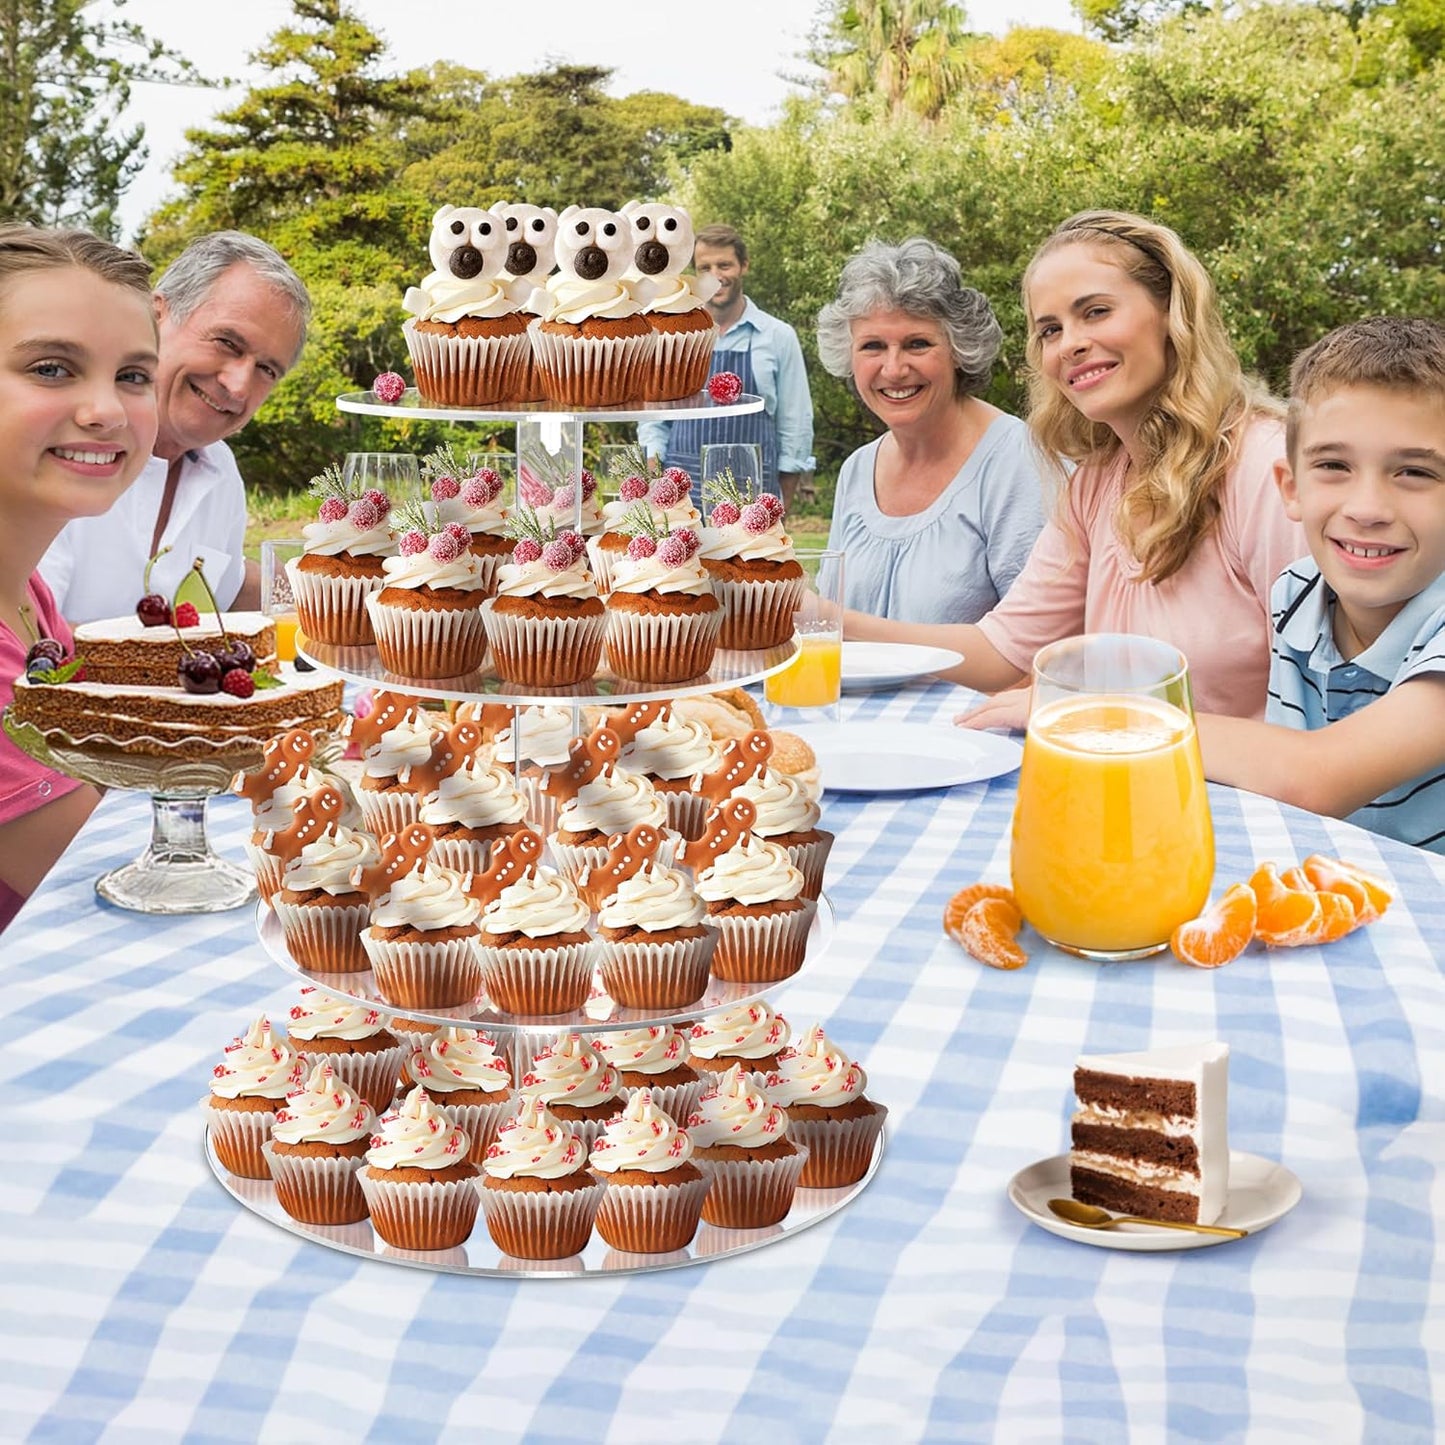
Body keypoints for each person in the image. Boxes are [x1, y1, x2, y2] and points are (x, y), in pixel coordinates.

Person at [846, 209, 1304, 724]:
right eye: (1050, 330)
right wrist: (818, 617)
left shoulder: (1266, 469)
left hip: (1245, 802)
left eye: (1096, 311)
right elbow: (1000, 651)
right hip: (1129, 782)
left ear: (1172, 312)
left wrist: (1080, 708)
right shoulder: (1097, 484)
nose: (1071, 343)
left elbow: (1325, 719)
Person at [1197, 317, 1445, 853]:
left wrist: (1105, 712)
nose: (1367, 510)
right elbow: (1282, 795)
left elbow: (1312, 777)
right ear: (1291, 487)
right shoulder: (1296, 591)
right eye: (1334, 465)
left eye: (1415, 473)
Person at [0, 224, 160, 931]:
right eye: (52, 368)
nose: (107, 411)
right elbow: (108, 898)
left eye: (133, 375)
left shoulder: (26, 596)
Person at [38, 231, 310, 625]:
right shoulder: (67, 441)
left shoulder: (220, 470)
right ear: (156, 316)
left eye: (266, 369)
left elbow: (229, 590)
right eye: (227, 342)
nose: (238, 385)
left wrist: (355, 596)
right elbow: (26, 636)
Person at [814, 237, 1046, 622]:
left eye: (917, 344)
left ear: (960, 348)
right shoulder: (856, 470)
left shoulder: (1018, 462)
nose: (893, 369)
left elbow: (1039, 646)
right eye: (872, 346)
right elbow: (826, 627)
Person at [637, 223, 815, 508]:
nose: (715, 276)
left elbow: (795, 423)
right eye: (705, 268)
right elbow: (654, 419)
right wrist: (655, 480)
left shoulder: (777, 336)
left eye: (725, 265)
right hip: (682, 495)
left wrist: (785, 501)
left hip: (753, 493)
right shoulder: (674, 338)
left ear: (744, 266)